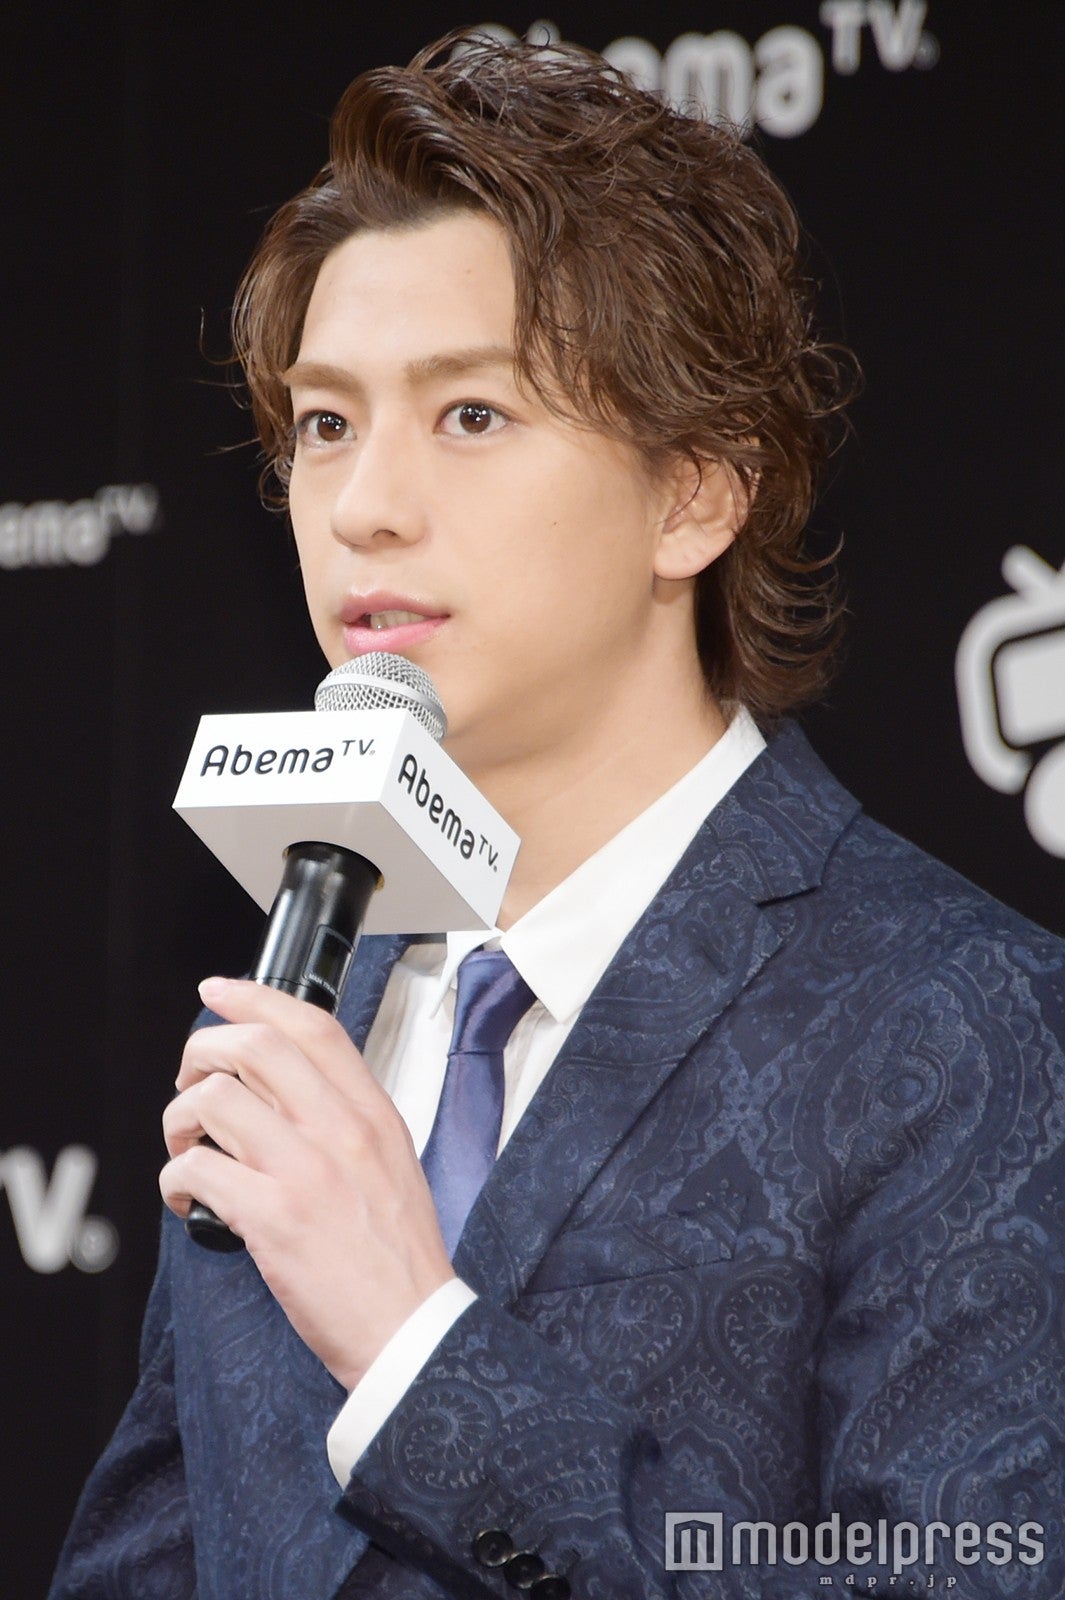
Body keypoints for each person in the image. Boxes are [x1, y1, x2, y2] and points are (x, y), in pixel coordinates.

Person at [51, 29, 1064, 1600]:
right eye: (325, 424)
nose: (363, 506)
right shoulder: (306, 1011)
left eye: (469, 415)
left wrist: (415, 1349)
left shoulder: (964, 1018)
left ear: (696, 490)